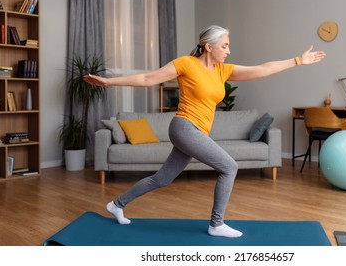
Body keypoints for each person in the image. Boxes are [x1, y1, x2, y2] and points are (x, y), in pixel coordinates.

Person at [84, 25, 325, 238]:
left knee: (163, 178)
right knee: (229, 167)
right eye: (225, 45)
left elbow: (262, 69)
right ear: (208, 47)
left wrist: (297, 61)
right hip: (184, 127)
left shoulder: (223, 70)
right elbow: (149, 78)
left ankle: (117, 204)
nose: (228, 50)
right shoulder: (186, 64)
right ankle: (216, 224)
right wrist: (108, 82)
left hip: (196, 131)